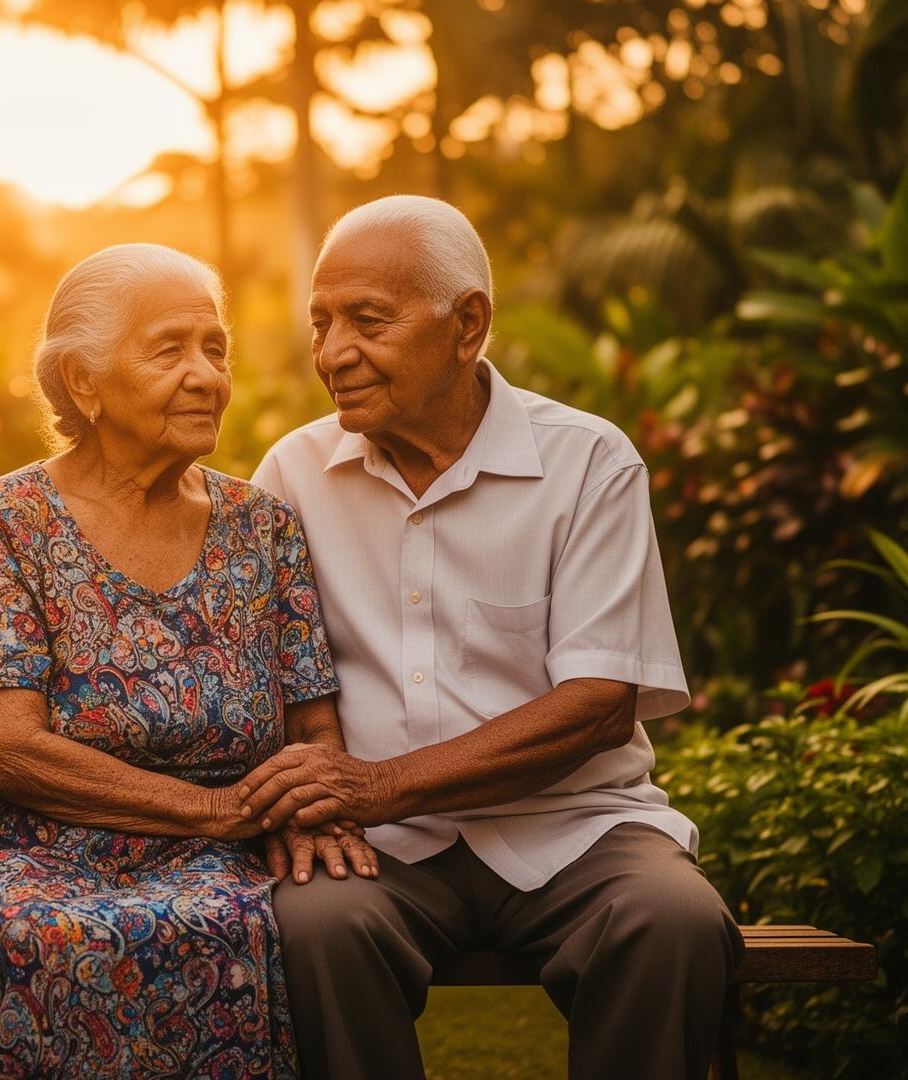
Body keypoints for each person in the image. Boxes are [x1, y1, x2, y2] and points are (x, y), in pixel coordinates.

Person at [247, 196, 743, 1080]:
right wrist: (316, 801)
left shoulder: (589, 461)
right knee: (316, 928)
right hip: (377, 850)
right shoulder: (290, 474)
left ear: (467, 324)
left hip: (576, 827)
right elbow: (269, 679)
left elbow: (595, 708)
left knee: (672, 922)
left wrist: (376, 784)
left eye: (368, 321)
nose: (332, 354)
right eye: (321, 323)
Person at [0, 243, 373, 1079]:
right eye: (169, 349)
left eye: (214, 348)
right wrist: (211, 811)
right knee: (51, 941)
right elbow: (7, 751)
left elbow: (312, 719)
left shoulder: (263, 528)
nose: (206, 375)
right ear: (83, 384)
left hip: (204, 854)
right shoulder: (7, 520)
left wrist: (308, 801)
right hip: (12, 846)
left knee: (229, 930)